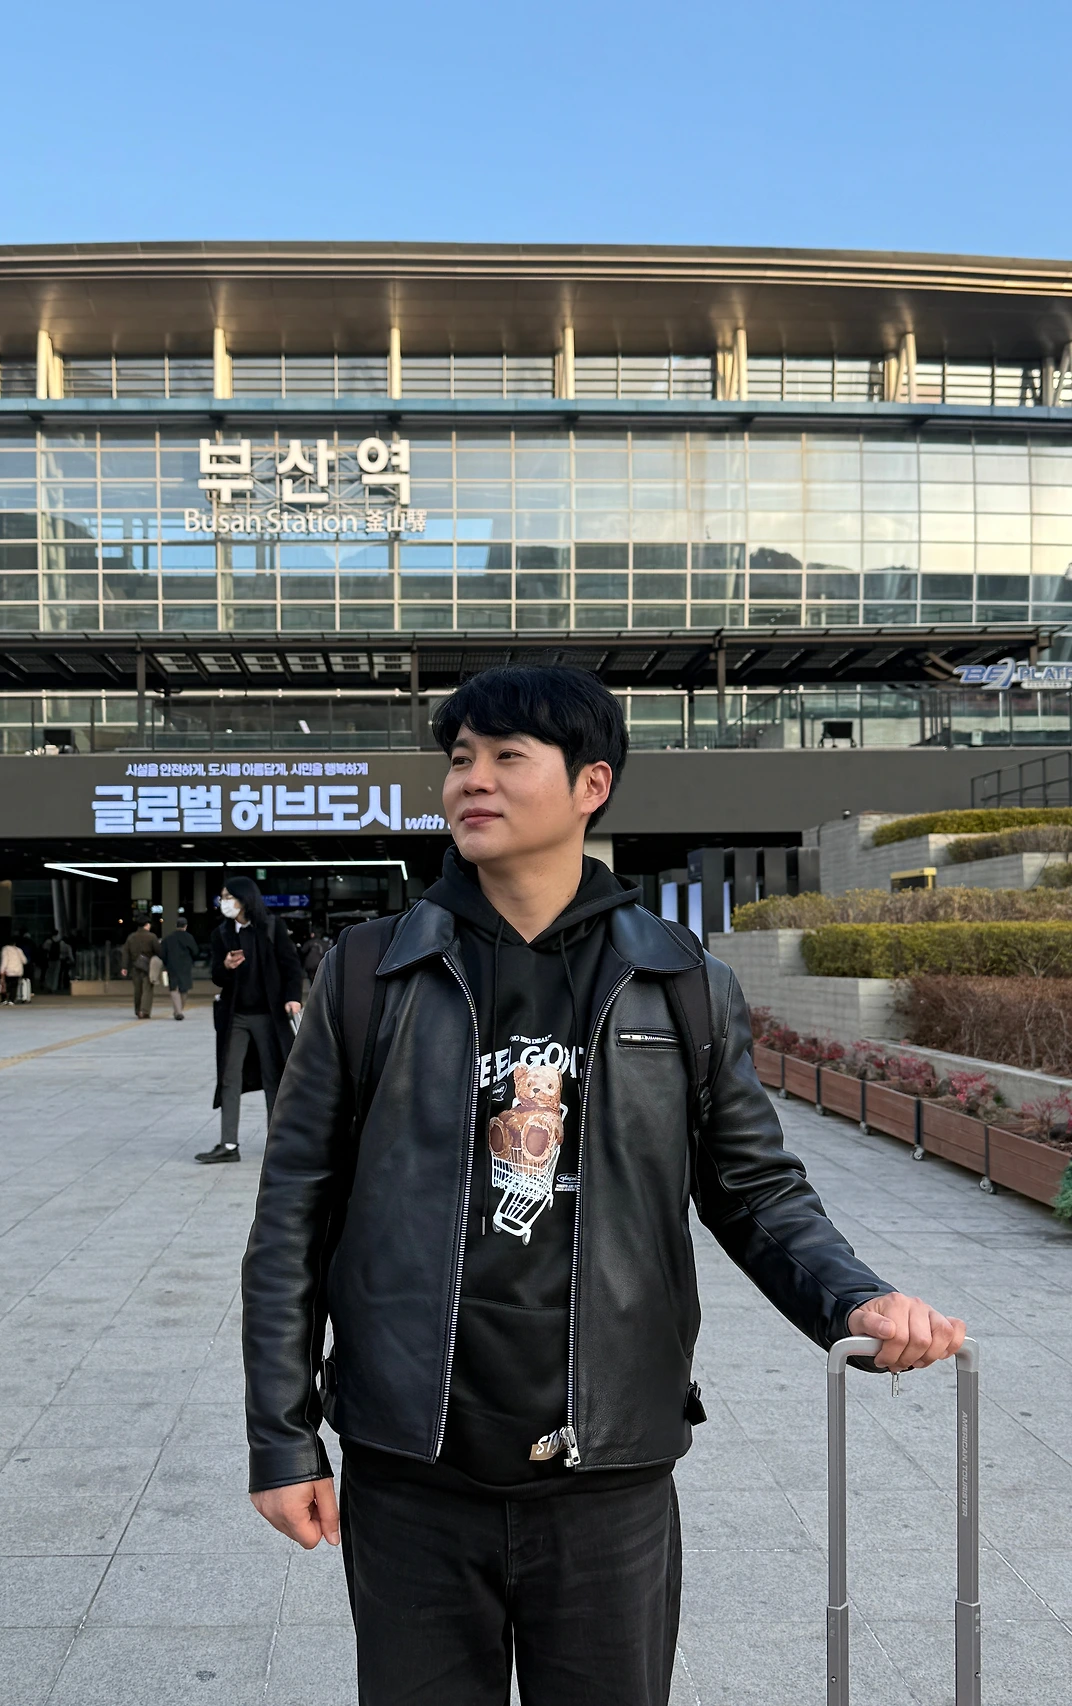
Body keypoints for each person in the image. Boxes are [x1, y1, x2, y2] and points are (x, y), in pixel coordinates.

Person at [241, 665, 968, 1706]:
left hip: (606, 1472)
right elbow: (293, 1215)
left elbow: (755, 1190)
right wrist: (282, 1435)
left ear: (591, 784)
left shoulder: (680, 982)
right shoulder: (370, 972)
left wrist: (852, 1299)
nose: (471, 780)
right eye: (460, 758)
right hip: (411, 1470)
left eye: (507, 756)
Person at [195, 877, 303, 1165]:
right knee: (229, 1077)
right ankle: (228, 1144)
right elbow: (217, 976)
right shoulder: (221, 933)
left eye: (228, 896)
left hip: (269, 1015)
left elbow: (291, 966)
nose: (224, 902)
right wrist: (225, 966)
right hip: (235, 1016)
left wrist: (293, 998)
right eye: (222, 897)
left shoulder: (271, 927)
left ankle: (277, 1144)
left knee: (273, 1077)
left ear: (244, 899)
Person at [158, 909, 199, 1020]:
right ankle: (179, 1010)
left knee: (173, 988)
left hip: (172, 966)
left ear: (176, 926)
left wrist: (166, 963)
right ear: (186, 926)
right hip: (185, 966)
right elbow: (195, 951)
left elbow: (162, 953)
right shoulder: (189, 937)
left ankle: (178, 1011)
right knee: (184, 989)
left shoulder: (168, 938)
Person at [120, 916, 160, 1019]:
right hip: (148, 967)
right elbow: (158, 951)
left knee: (138, 990)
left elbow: (126, 952)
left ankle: (138, 1010)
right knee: (147, 989)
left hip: (135, 966)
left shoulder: (131, 937)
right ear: (147, 925)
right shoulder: (152, 937)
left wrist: (124, 967)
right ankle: (144, 1011)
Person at [0, 937, 26, 1005]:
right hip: (17, 971)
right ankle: (11, 1000)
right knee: (14, 986)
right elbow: (24, 960)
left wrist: (2, 970)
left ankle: (4, 999)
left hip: (8, 971)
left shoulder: (5, 949)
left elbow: (5, 960)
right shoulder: (19, 950)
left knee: (5, 985)